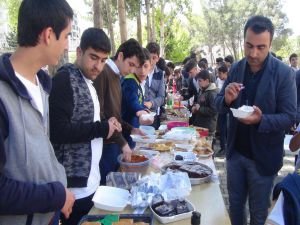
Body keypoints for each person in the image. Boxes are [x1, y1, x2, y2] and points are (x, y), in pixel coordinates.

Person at [214, 15, 296, 225]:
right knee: (235, 207)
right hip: (235, 155)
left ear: (270, 44)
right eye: (249, 46)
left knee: (259, 214)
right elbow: (218, 103)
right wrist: (227, 99)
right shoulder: (236, 68)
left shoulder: (284, 74)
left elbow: (290, 117)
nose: (253, 53)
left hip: (264, 159)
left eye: (261, 47)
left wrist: (261, 120)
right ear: (243, 40)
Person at [0, 0, 75, 224]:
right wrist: (56, 196)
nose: (67, 46)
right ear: (49, 35)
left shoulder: (42, 87)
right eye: (67, 36)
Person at [49, 28, 121, 225]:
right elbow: (57, 131)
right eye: (93, 57)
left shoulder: (88, 81)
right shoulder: (65, 79)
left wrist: (107, 126)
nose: (98, 66)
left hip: (91, 182)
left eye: (104, 60)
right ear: (79, 52)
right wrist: (100, 129)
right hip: (73, 188)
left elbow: (87, 124)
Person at [93, 38, 145, 185]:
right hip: (104, 144)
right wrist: (123, 143)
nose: (132, 70)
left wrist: (131, 129)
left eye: (135, 67)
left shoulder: (117, 76)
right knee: (105, 185)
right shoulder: (103, 73)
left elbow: (115, 114)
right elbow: (100, 114)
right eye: (131, 64)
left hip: (114, 141)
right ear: (120, 56)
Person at [121, 48, 154, 148]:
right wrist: (140, 111)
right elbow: (132, 101)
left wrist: (144, 109)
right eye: (139, 67)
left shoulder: (138, 81)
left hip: (133, 128)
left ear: (151, 66)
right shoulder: (129, 81)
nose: (142, 71)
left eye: (145, 66)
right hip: (125, 130)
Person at [143, 42, 166, 130]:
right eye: (149, 57)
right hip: (139, 114)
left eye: (154, 58)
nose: (151, 61)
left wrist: (151, 103)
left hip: (153, 115)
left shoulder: (160, 74)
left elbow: (161, 97)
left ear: (158, 58)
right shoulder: (140, 71)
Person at [191, 70, 218, 135]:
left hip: (208, 127)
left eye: (200, 81)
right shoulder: (202, 90)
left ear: (207, 81)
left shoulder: (212, 93)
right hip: (200, 125)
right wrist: (195, 108)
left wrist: (199, 109)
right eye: (198, 81)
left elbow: (214, 110)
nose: (198, 83)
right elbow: (199, 103)